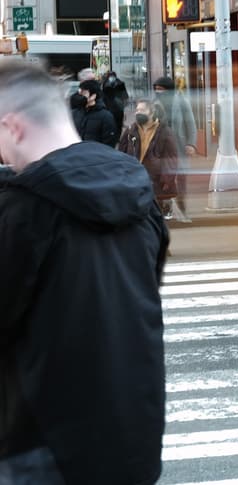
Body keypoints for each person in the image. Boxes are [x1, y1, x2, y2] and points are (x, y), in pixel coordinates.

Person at [0, 60, 168, 485]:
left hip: (45, 446)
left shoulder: (24, 211)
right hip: (134, 439)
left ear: (13, 127)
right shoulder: (138, 196)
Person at [118, 98, 182, 221]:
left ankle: (165, 210)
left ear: (152, 113)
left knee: (157, 215)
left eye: (142, 110)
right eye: (137, 110)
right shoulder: (131, 130)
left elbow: (171, 158)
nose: (138, 112)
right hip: (135, 176)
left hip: (156, 179)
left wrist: (167, 179)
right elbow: (122, 153)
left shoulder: (164, 132)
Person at [154, 76, 198, 223]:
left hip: (179, 146)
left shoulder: (181, 102)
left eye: (161, 89)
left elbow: (190, 124)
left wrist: (191, 144)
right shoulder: (155, 104)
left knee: (181, 179)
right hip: (162, 148)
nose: (158, 92)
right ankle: (166, 208)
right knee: (164, 179)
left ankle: (183, 209)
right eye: (156, 89)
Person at [74, 78, 117, 146]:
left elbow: (109, 144)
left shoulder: (105, 117)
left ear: (93, 96)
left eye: (84, 93)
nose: (80, 96)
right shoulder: (75, 113)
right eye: (79, 92)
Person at [101, 69, 129, 145]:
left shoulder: (120, 84)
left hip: (118, 109)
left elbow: (125, 96)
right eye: (110, 76)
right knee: (110, 124)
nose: (111, 78)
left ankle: (117, 138)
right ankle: (112, 137)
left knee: (119, 124)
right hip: (109, 108)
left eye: (113, 76)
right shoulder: (104, 84)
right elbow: (103, 97)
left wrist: (123, 104)